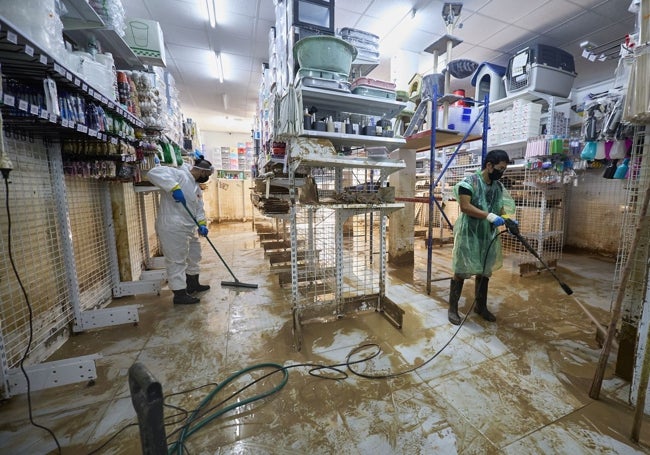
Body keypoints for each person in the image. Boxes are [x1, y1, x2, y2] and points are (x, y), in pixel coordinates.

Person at [448, 149, 517, 325]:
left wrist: (508, 219)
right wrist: (489, 216)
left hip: (487, 235)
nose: (502, 172)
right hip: (469, 234)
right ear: (489, 165)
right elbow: (465, 206)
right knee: (461, 270)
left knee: (485, 271)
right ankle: (453, 309)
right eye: (500, 168)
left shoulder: (498, 187)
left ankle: (481, 307)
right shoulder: (469, 182)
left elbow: (501, 208)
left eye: (504, 169)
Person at [147, 156, 214, 304]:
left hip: (188, 226)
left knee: (194, 255)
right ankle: (179, 293)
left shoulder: (196, 187)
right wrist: (174, 187)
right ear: (202, 171)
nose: (206, 179)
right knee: (177, 260)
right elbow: (153, 173)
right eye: (207, 176)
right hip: (173, 225)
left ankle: (193, 283)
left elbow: (199, 209)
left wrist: (202, 224)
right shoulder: (180, 174)